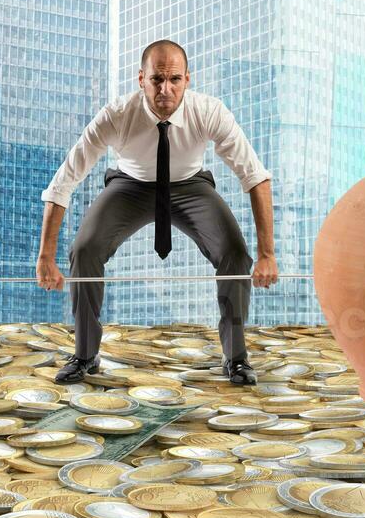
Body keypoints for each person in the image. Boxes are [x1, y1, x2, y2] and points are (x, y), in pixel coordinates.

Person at [36, 39, 278, 385]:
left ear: (187, 80)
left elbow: (255, 176)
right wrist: (46, 256)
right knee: (84, 249)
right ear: (141, 79)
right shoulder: (116, 115)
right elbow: (64, 180)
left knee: (236, 254)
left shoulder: (209, 111)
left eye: (174, 80)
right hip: (129, 186)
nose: (166, 89)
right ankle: (86, 354)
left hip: (189, 186)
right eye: (156, 80)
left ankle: (236, 358)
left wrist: (267, 254)